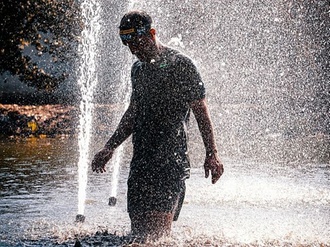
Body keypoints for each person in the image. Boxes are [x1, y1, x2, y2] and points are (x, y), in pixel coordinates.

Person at [91, 10, 224, 241]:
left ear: (151, 34)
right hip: (142, 161)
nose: (132, 50)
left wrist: (211, 154)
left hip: (170, 161)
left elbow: (201, 111)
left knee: (156, 238)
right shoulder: (138, 70)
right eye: (127, 44)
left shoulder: (181, 65)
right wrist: (109, 147)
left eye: (136, 42)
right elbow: (133, 112)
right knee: (138, 236)